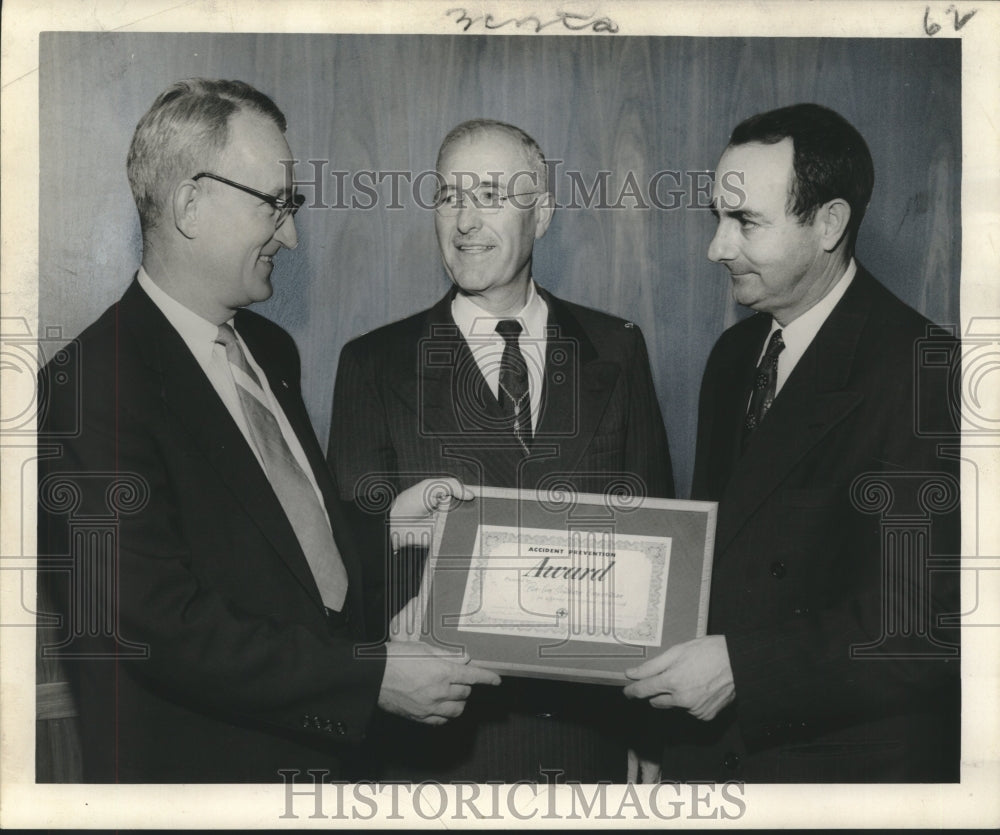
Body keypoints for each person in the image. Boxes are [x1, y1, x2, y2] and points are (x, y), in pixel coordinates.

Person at [35, 78, 499, 784]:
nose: (291, 233)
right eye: (275, 204)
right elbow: (158, 626)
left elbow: (282, 555)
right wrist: (367, 679)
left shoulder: (269, 349)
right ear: (191, 202)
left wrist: (391, 529)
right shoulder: (90, 386)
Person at [328, 119, 675, 782]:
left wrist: (653, 735)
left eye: (490, 194)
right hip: (438, 757)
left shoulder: (617, 349)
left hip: (588, 749)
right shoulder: (374, 365)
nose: (463, 221)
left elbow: (654, 557)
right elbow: (352, 579)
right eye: (448, 196)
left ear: (541, 214)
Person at [624, 103, 960, 782]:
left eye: (746, 222)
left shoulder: (927, 371)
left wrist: (744, 669)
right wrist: (655, 730)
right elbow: (718, 567)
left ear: (829, 223)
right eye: (718, 217)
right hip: (714, 759)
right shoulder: (735, 354)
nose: (717, 247)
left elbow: (925, 629)